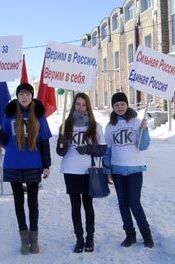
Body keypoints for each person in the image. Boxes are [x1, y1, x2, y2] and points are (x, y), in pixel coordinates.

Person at [0, 83, 51, 255]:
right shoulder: (9, 115)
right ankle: (24, 239)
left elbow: (44, 142)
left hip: (33, 163)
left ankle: (34, 239)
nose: (24, 97)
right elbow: (4, 141)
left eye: (27, 94)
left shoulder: (39, 116)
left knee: (33, 203)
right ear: (17, 96)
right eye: (22, 94)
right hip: (13, 163)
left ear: (31, 96)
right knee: (19, 202)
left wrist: (46, 165)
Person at [56, 93, 107, 253]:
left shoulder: (95, 126)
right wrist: (62, 144)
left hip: (88, 171)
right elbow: (60, 152)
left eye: (84, 105)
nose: (80, 107)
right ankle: (79, 239)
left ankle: (90, 239)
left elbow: (102, 149)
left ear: (88, 107)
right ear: (73, 106)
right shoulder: (66, 124)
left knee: (88, 205)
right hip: (70, 170)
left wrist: (89, 149)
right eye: (77, 104)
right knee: (75, 206)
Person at [102, 92, 154, 248]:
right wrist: (107, 170)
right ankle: (130, 235)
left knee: (134, 203)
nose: (120, 107)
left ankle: (146, 234)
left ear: (127, 104)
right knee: (123, 203)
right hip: (117, 170)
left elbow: (143, 146)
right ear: (113, 107)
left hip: (134, 169)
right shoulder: (110, 126)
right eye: (116, 105)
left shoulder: (136, 122)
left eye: (122, 104)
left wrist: (144, 130)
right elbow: (108, 150)